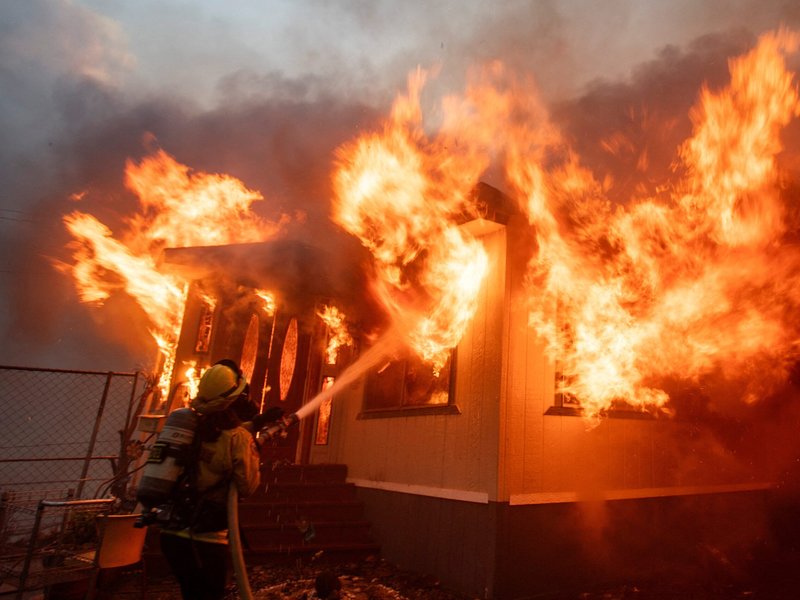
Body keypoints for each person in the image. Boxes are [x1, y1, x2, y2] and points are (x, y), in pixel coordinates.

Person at [158, 361, 263, 600]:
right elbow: (247, 486)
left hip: (172, 534)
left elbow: (214, 437)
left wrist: (255, 425)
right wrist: (252, 447)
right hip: (206, 539)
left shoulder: (188, 424)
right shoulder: (237, 438)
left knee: (191, 593)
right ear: (233, 400)